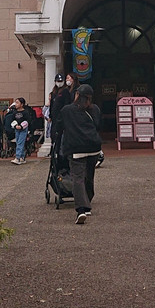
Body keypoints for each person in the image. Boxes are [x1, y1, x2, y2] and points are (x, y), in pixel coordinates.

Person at [59, 83, 103, 223]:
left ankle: (81, 209)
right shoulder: (94, 109)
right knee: (89, 177)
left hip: (76, 148)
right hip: (93, 147)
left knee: (77, 178)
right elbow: (97, 125)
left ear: (77, 95)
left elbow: (59, 126)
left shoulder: (67, 110)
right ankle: (88, 203)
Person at [49, 73, 74, 157]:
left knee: (61, 135)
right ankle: (53, 150)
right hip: (54, 118)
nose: (59, 82)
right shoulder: (53, 93)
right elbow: (52, 105)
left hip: (61, 117)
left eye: (60, 81)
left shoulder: (65, 91)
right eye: (57, 81)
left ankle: (61, 152)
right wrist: (50, 116)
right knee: (53, 134)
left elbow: (67, 104)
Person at [8, 97, 32, 164]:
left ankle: (17, 157)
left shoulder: (25, 112)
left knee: (20, 143)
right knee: (18, 141)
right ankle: (22, 157)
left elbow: (27, 121)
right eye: (15, 102)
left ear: (22, 104)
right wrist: (15, 125)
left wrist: (21, 126)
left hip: (23, 129)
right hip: (16, 129)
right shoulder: (14, 112)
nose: (16, 104)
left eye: (17, 102)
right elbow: (12, 120)